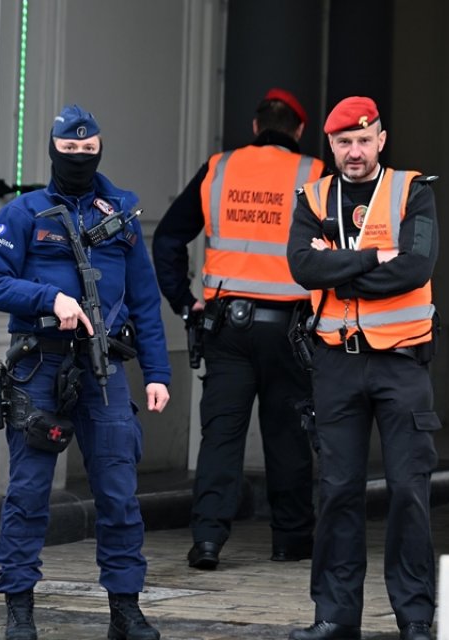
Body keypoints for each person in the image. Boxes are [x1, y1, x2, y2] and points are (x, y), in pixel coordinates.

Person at [0, 104, 171, 640]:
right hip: (41, 363)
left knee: (118, 490)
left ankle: (125, 611)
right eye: (70, 151)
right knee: (29, 492)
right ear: (53, 150)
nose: (80, 159)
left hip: (103, 370)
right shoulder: (22, 214)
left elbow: (146, 302)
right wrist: (50, 297)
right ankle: (19, 610)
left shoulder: (122, 216)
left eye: (89, 151)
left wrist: (157, 373)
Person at [284, 96, 440, 640]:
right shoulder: (313, 196)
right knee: (339, 490)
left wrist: (341, 271)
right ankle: (334, 616)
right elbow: (303, 267)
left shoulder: (412, 191)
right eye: (344, 142)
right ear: (330, 145)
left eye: (363, 140)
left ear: (381, 139)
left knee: (408, 491)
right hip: (337, 365)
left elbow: (417, 266)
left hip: (402, 363)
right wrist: (376, 257)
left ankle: (415, 617)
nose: (354, 151)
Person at [152, 88, 325, 571]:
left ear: (255, 127)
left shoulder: (219, 168)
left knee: (221, 436)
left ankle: (207, 540)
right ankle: (291, 540)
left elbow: (167, 238)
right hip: (291, 330)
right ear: (298, 131)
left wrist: (185, 304)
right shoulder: (314, 175)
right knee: (288, 434)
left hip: (226, 326)